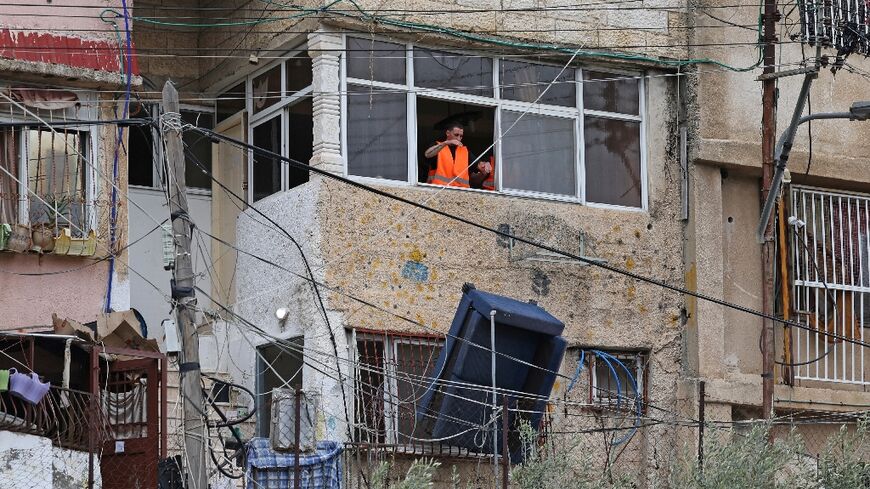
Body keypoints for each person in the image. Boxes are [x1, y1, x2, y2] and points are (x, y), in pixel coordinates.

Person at [424, 122, 492, 189]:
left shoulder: (465, 151)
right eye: (456, 135)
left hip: (460, 192)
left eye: (461, 136)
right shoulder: (438, 146)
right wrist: (446, 143)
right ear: (448, 133)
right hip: (438, 189)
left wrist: (486, 165)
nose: (459, 138)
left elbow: (480, 165)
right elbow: (427, 154)